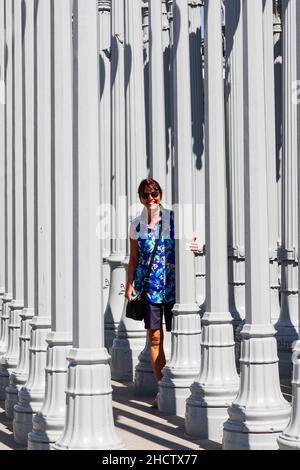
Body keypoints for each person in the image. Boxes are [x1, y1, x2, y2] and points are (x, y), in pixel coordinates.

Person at [125, 179, 175, 407]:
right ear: (140, 198)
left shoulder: (174, 220)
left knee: (183, 336)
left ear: (160, 194)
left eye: (154, 193)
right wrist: (129, 284)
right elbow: (133, 258)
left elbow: (191, 243)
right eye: (146, 195)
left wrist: (196, 246)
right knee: (155, 338)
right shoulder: (136, 225)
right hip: (149, 289)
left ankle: (181, 387)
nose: (151, 198)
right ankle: (163, 390)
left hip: (174, 288)